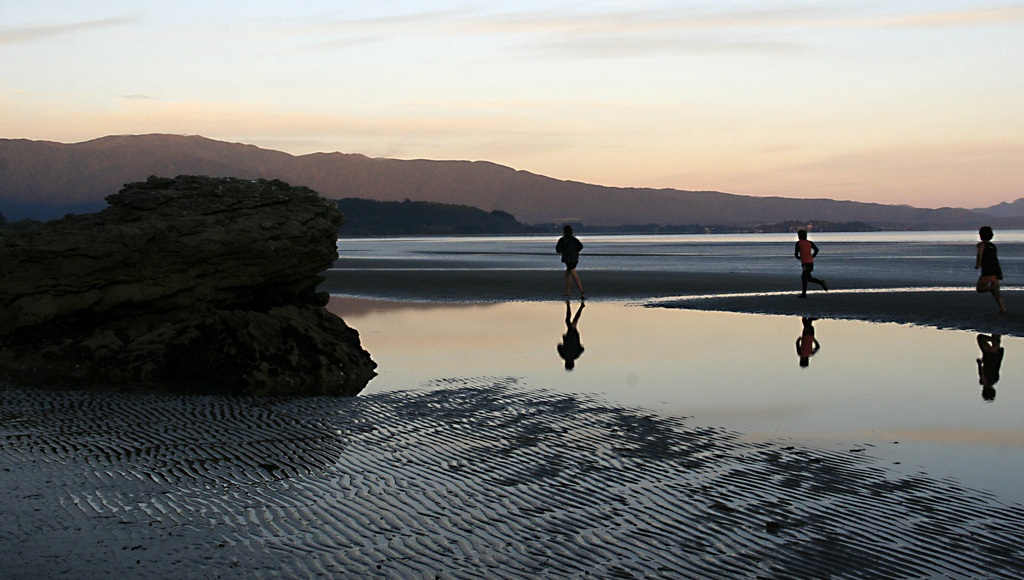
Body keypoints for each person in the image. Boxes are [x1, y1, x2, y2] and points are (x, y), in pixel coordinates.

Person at [975, 226, 1007, 314]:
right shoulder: (993, 246)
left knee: (980, 288)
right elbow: (994, 258)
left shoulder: (981, 245)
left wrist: (978, 264)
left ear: (981, 235)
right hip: (996, 269)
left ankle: (991, 289)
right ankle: (1002, 308)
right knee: (997, 293)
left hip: (987, 270)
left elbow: (979, 255)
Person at [794, 229, 827, 298]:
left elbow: (796, 254)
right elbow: (816, 250)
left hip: (805, 263)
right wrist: (812, 256)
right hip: (810, 262)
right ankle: (821, 282)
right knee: (808, 278)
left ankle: (804, 294)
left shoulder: (798, 243)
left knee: (804, 277)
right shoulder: (810, 242)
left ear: (799, 236)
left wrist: (800, 257)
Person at [555, 224, 585, 299]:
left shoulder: (562, 239)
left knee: (573, 273)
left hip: (568, 259)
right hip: (575, 258)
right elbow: (580, 246)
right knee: (568, 274)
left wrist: (563, 252)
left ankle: (581, 290)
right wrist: (575, 252)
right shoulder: (574, 239)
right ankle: (568, 292)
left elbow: (558, 249)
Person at [557, 300, 585, 370]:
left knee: (572, 321)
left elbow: (582, 349)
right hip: (570, 336)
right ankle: (571, 305)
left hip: (574, 336)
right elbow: (559, 346)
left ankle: (578, 306)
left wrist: (577, 344)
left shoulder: (575, 356)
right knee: (570, 321)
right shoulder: (565, 355)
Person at [976, 333, 1004, 401]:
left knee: (994, 336)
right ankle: (995, 339)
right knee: (981, 338)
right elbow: (982, 373)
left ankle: (995, 340)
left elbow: (998, 365)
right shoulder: (985, 381)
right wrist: (979, 364)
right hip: (989, 355)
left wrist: (1001, 353)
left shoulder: (995, 380)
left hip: (993, 355)